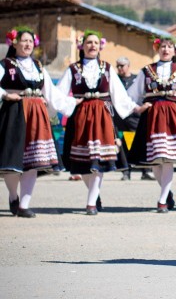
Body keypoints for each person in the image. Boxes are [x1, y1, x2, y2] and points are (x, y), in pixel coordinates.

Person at [56, 30, 144, 215]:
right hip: (80, 118)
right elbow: (58, 94)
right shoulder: (73, 69)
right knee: (83, 162)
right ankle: (94, 195)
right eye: (89, 42)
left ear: (100, 46)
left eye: (96, 43)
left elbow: (118, 94)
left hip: (102, 118)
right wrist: (71, 103)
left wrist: (134, 108)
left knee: (98, 159)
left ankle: (90, 204)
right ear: (82, 46)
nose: (92, 46)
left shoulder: (107, 68)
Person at [0, 26, 78, 218]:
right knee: (12, 160)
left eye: (30, 41)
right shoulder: (6, 64)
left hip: (37, 115)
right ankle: (12, 196)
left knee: (34, 161)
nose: (27, 44)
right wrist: (5, 95)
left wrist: (72, 103)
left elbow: (51, 92)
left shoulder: (38, 66)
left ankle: (24, 205)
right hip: (14, 113)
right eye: (23, 40)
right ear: (15, 43)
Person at [127, 38, 176, 213]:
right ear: (157, 49)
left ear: (174, 51)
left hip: (172, 116)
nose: (166, 49)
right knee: (155, 160)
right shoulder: (146, 71)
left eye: (169, 47)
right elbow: (131, 94)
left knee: (168, 158)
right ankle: (166, 192)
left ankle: (162, 200)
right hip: (152, 116)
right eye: (163, 46)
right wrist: (138, 108)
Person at [114, 56, 155, 181]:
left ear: (128, 66)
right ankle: (126, 171)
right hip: (120, 117)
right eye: (118, 66)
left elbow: (144, 94)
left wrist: (143, 107)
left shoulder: (136, 79)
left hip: (135, 116)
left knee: (140, 142)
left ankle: (146, 170)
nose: (120, 68)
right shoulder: (115, 80)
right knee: (123, 145)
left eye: (122, 65)